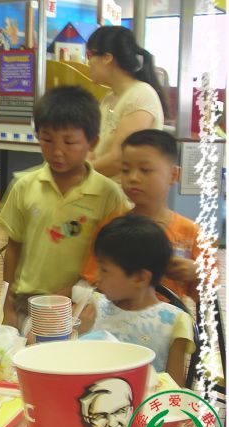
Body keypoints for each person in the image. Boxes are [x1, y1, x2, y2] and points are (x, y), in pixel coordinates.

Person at [0, 86, 128, 333]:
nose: (57, 151)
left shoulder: (108, 194)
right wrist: (7, 304)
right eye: (47, 139)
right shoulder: (24, 186)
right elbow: (13, 247)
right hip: (27, 302)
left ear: (92, 142)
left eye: (69, 142)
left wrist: (84, 293)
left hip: (79, 306)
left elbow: (112, 257)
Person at [79, 129, 200, 302]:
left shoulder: (190, 232)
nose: (133, 178)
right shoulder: (112, 228)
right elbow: (93, 282)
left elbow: (207, 298)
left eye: (145, 170)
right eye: (126, 170)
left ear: (173, 175)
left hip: (171, 316)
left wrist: (197, 273)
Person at [77, 214, 195, 386]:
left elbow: (175, 389)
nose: (97, 277)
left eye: (104, 270)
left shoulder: (173, 322)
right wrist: (78, 333)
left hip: (148, 402)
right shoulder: (92, 309)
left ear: (140, 278)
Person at [86, 25, 168, 182]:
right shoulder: (109, 98)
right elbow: (93, 148)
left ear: (107, 58)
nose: (88, 62)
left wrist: (78, 174)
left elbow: (119, 160)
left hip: (123, 192)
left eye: (89, 55)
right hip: (101, 186)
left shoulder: (140, 95)